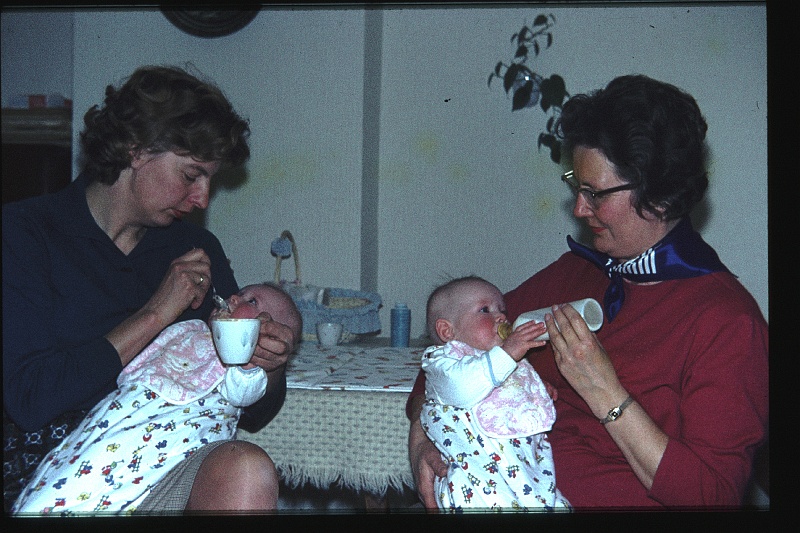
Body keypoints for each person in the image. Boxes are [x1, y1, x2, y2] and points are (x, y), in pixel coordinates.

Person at [407, 75, 769, 509]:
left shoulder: (727, 323)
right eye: (576, 186)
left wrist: (605, 393)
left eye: (595, 194)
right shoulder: (580, 271)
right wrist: (422, 439)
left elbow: (712, 497)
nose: (579, 209)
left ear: (659, 196)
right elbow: (451, 350)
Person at [3, 65, 296, 513]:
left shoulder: (195, 249)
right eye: (191, 175)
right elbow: (30, 399)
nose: (202, 199)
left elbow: (252, 411)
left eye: (210, 181)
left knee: (246, 466)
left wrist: (268, 364)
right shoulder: (26, 234)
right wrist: (156, 313)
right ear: (137, 149)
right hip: (54, 468)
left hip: (163, 461)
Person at [12, 283, 302, 515]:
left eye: (252, 302)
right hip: (122, 419)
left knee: (112, 482)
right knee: (77, 469)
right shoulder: (190, 330)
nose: (234, 298)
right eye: (239, 293)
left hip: (174, 443)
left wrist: (249, 363)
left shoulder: (241, 364)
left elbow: (244, 393)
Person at [420, 276, 571, 511]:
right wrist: (508, 353)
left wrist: (534, 387)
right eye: (485, 310)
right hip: (473, 473)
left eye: (502, 310)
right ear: (447, 331)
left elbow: (507, 384)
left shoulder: (508, 360)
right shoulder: (443, 363)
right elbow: (465, 387)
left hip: (527, 472)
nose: (501, 317)